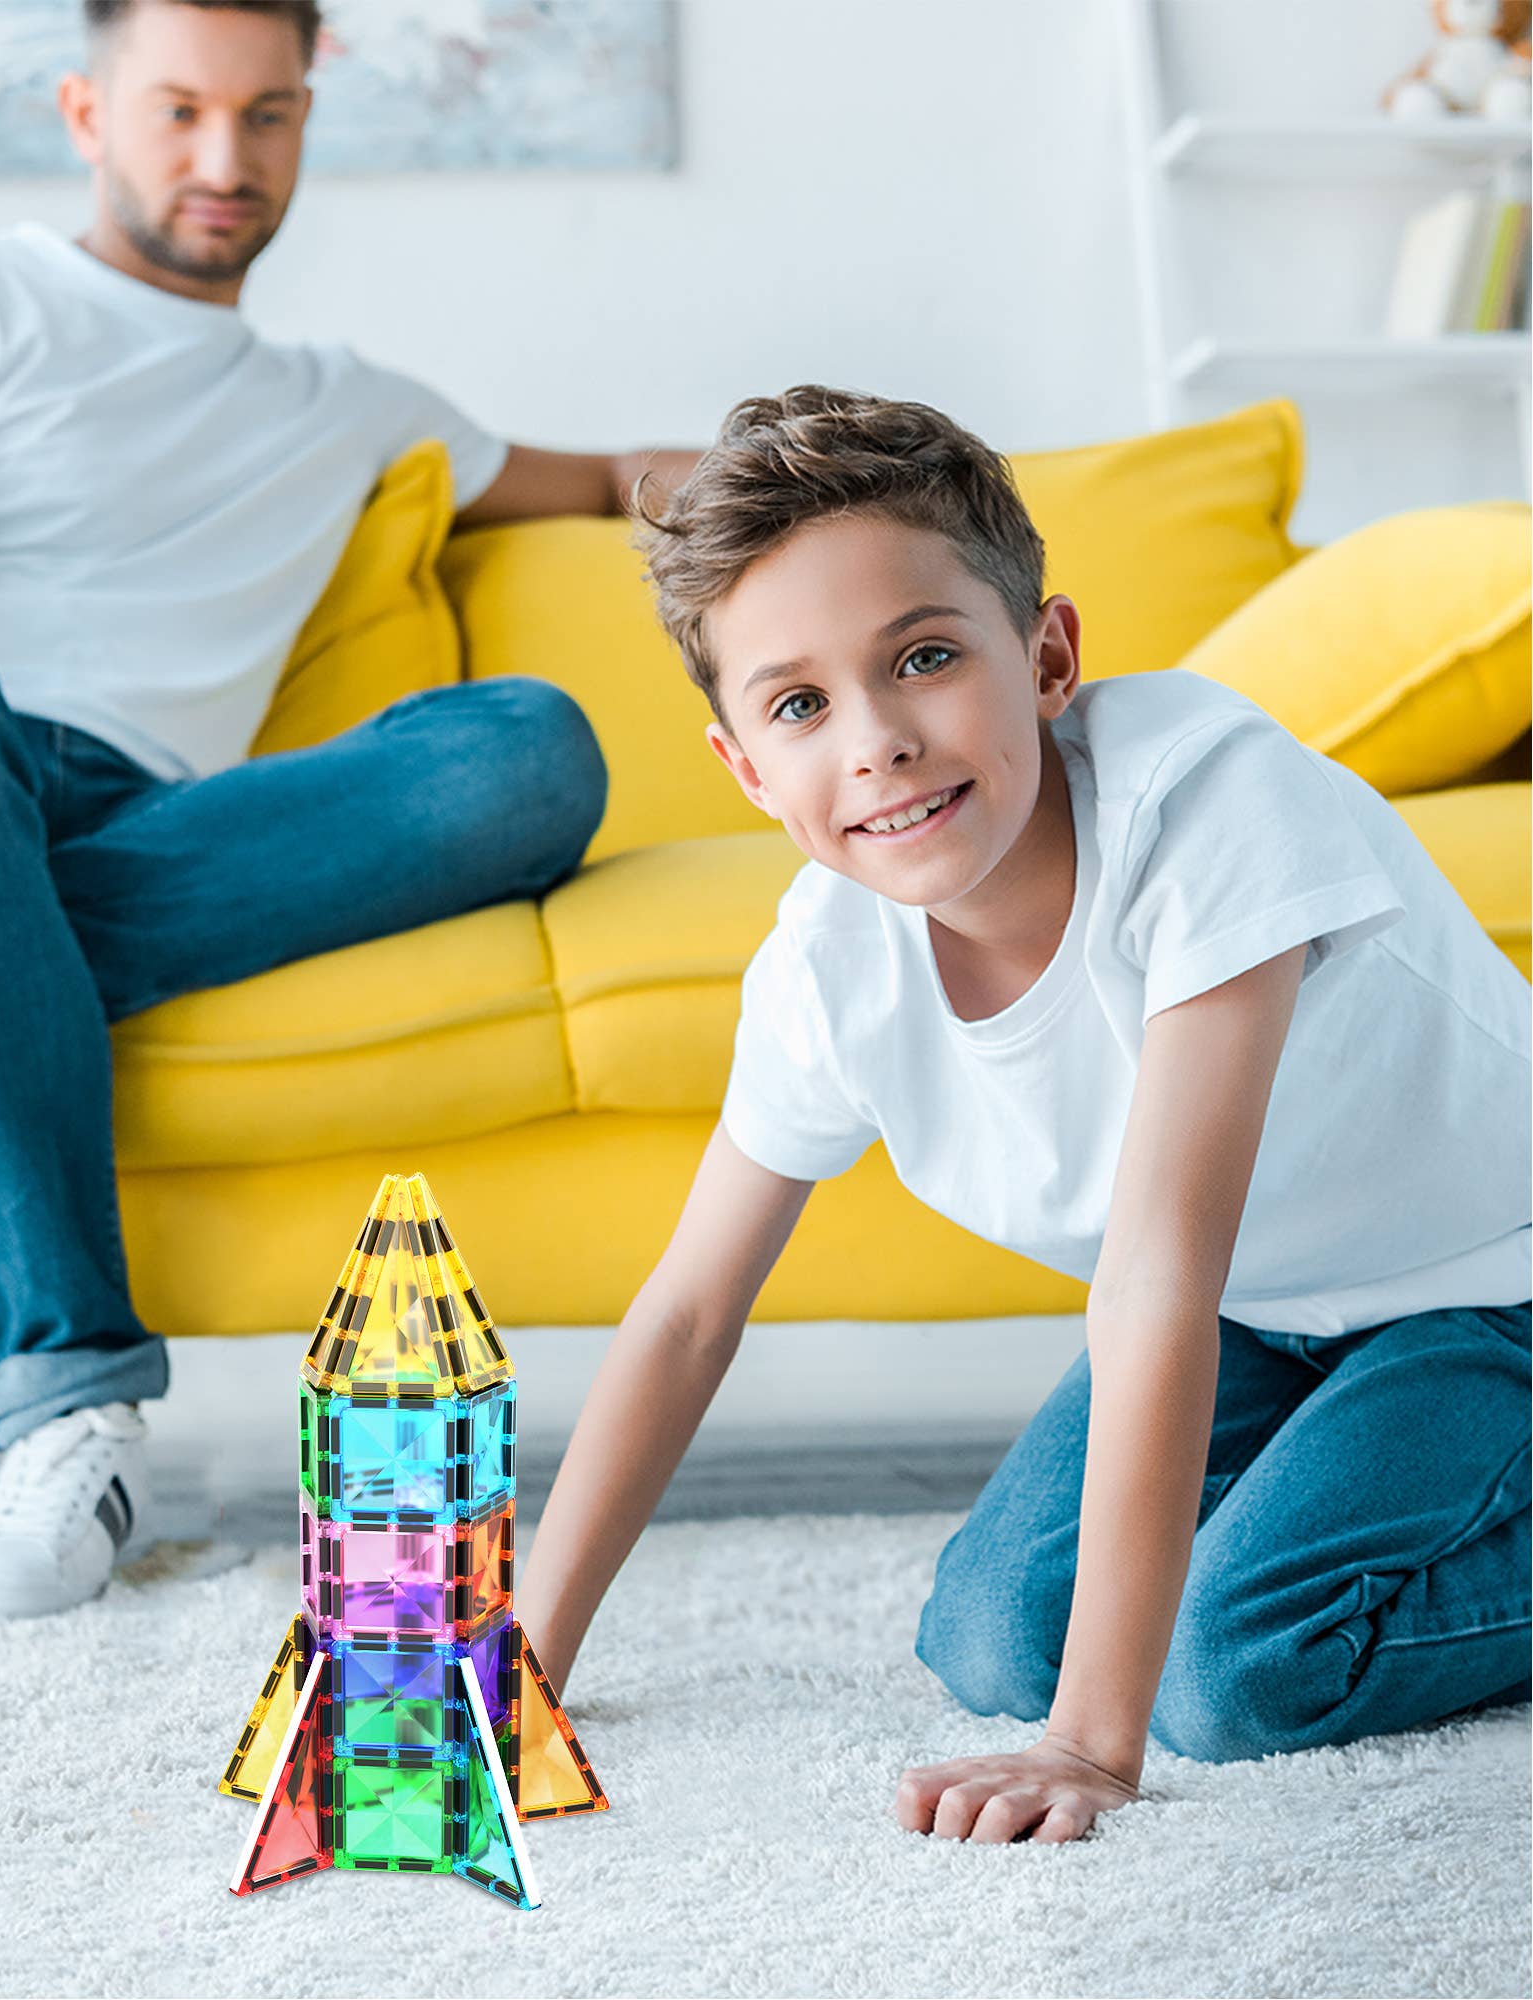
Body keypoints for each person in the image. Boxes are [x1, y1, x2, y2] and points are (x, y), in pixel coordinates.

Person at [0, 0, 702, 1624]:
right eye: (179, 112)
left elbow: (619, 477)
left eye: (269, 116)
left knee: (531, 748)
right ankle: (70, 1405)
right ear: (86, 109)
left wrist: (858, 474)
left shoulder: (351, 403)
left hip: (140, 824)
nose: (227, 160)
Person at [512, 384, 1533, 1846]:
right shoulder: (828, 963)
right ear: (745, 766)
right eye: (799, 705)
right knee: (992, 1636)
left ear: (1046, 654)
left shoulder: (1211, 808)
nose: (875, 742)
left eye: (924, 658)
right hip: (1276, 1315)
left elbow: (1158, 1265)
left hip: (1494, 1288)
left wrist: (1091, 1748)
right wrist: (527, 1655)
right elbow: (686, 1314)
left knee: (1235, 1676)